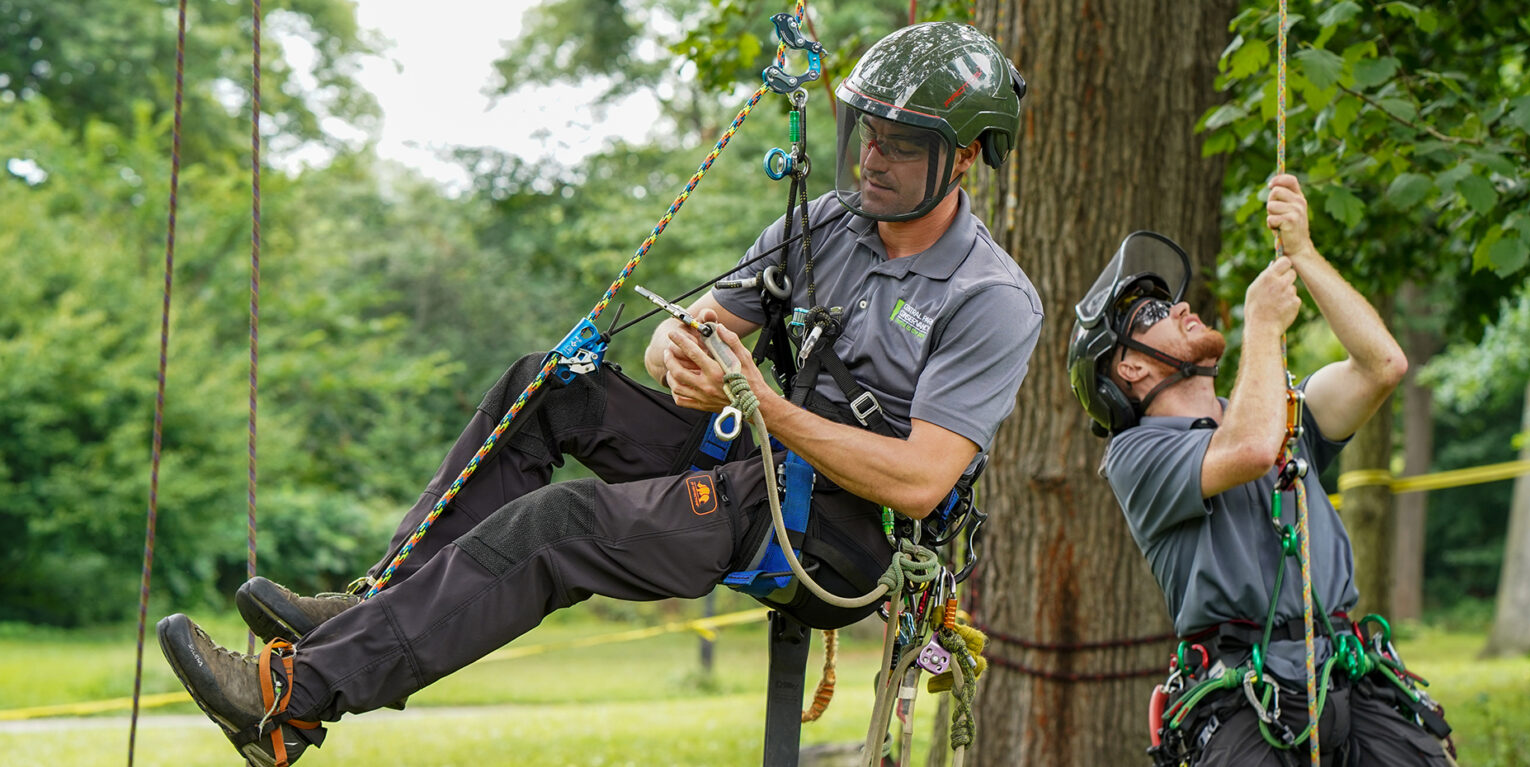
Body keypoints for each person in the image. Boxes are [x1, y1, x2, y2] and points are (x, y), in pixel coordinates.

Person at [157, 21, 1040, 767]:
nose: (874, 157)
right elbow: (698, 329)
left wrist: (765, 407)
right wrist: (677, 349)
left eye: (904, 143)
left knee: (559, 526)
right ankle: (379, 599)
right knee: (549, 385)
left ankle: (291, 702)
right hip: (759, 463)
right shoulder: (824, 225)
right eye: (866, 131)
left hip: (840, 538)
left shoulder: (988, 297)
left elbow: (923, 479)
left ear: (963, 158)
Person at [1066, 175, 1453, 766]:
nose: (1183, 307)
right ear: (1130, 369)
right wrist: (1263, 326)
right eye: (1154, 313)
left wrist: (1304, 255)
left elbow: (1382, 365)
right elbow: (1245, 449)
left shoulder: (1283, 411)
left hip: (1344, 668)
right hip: (1242, 690)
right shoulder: (1134, 456)